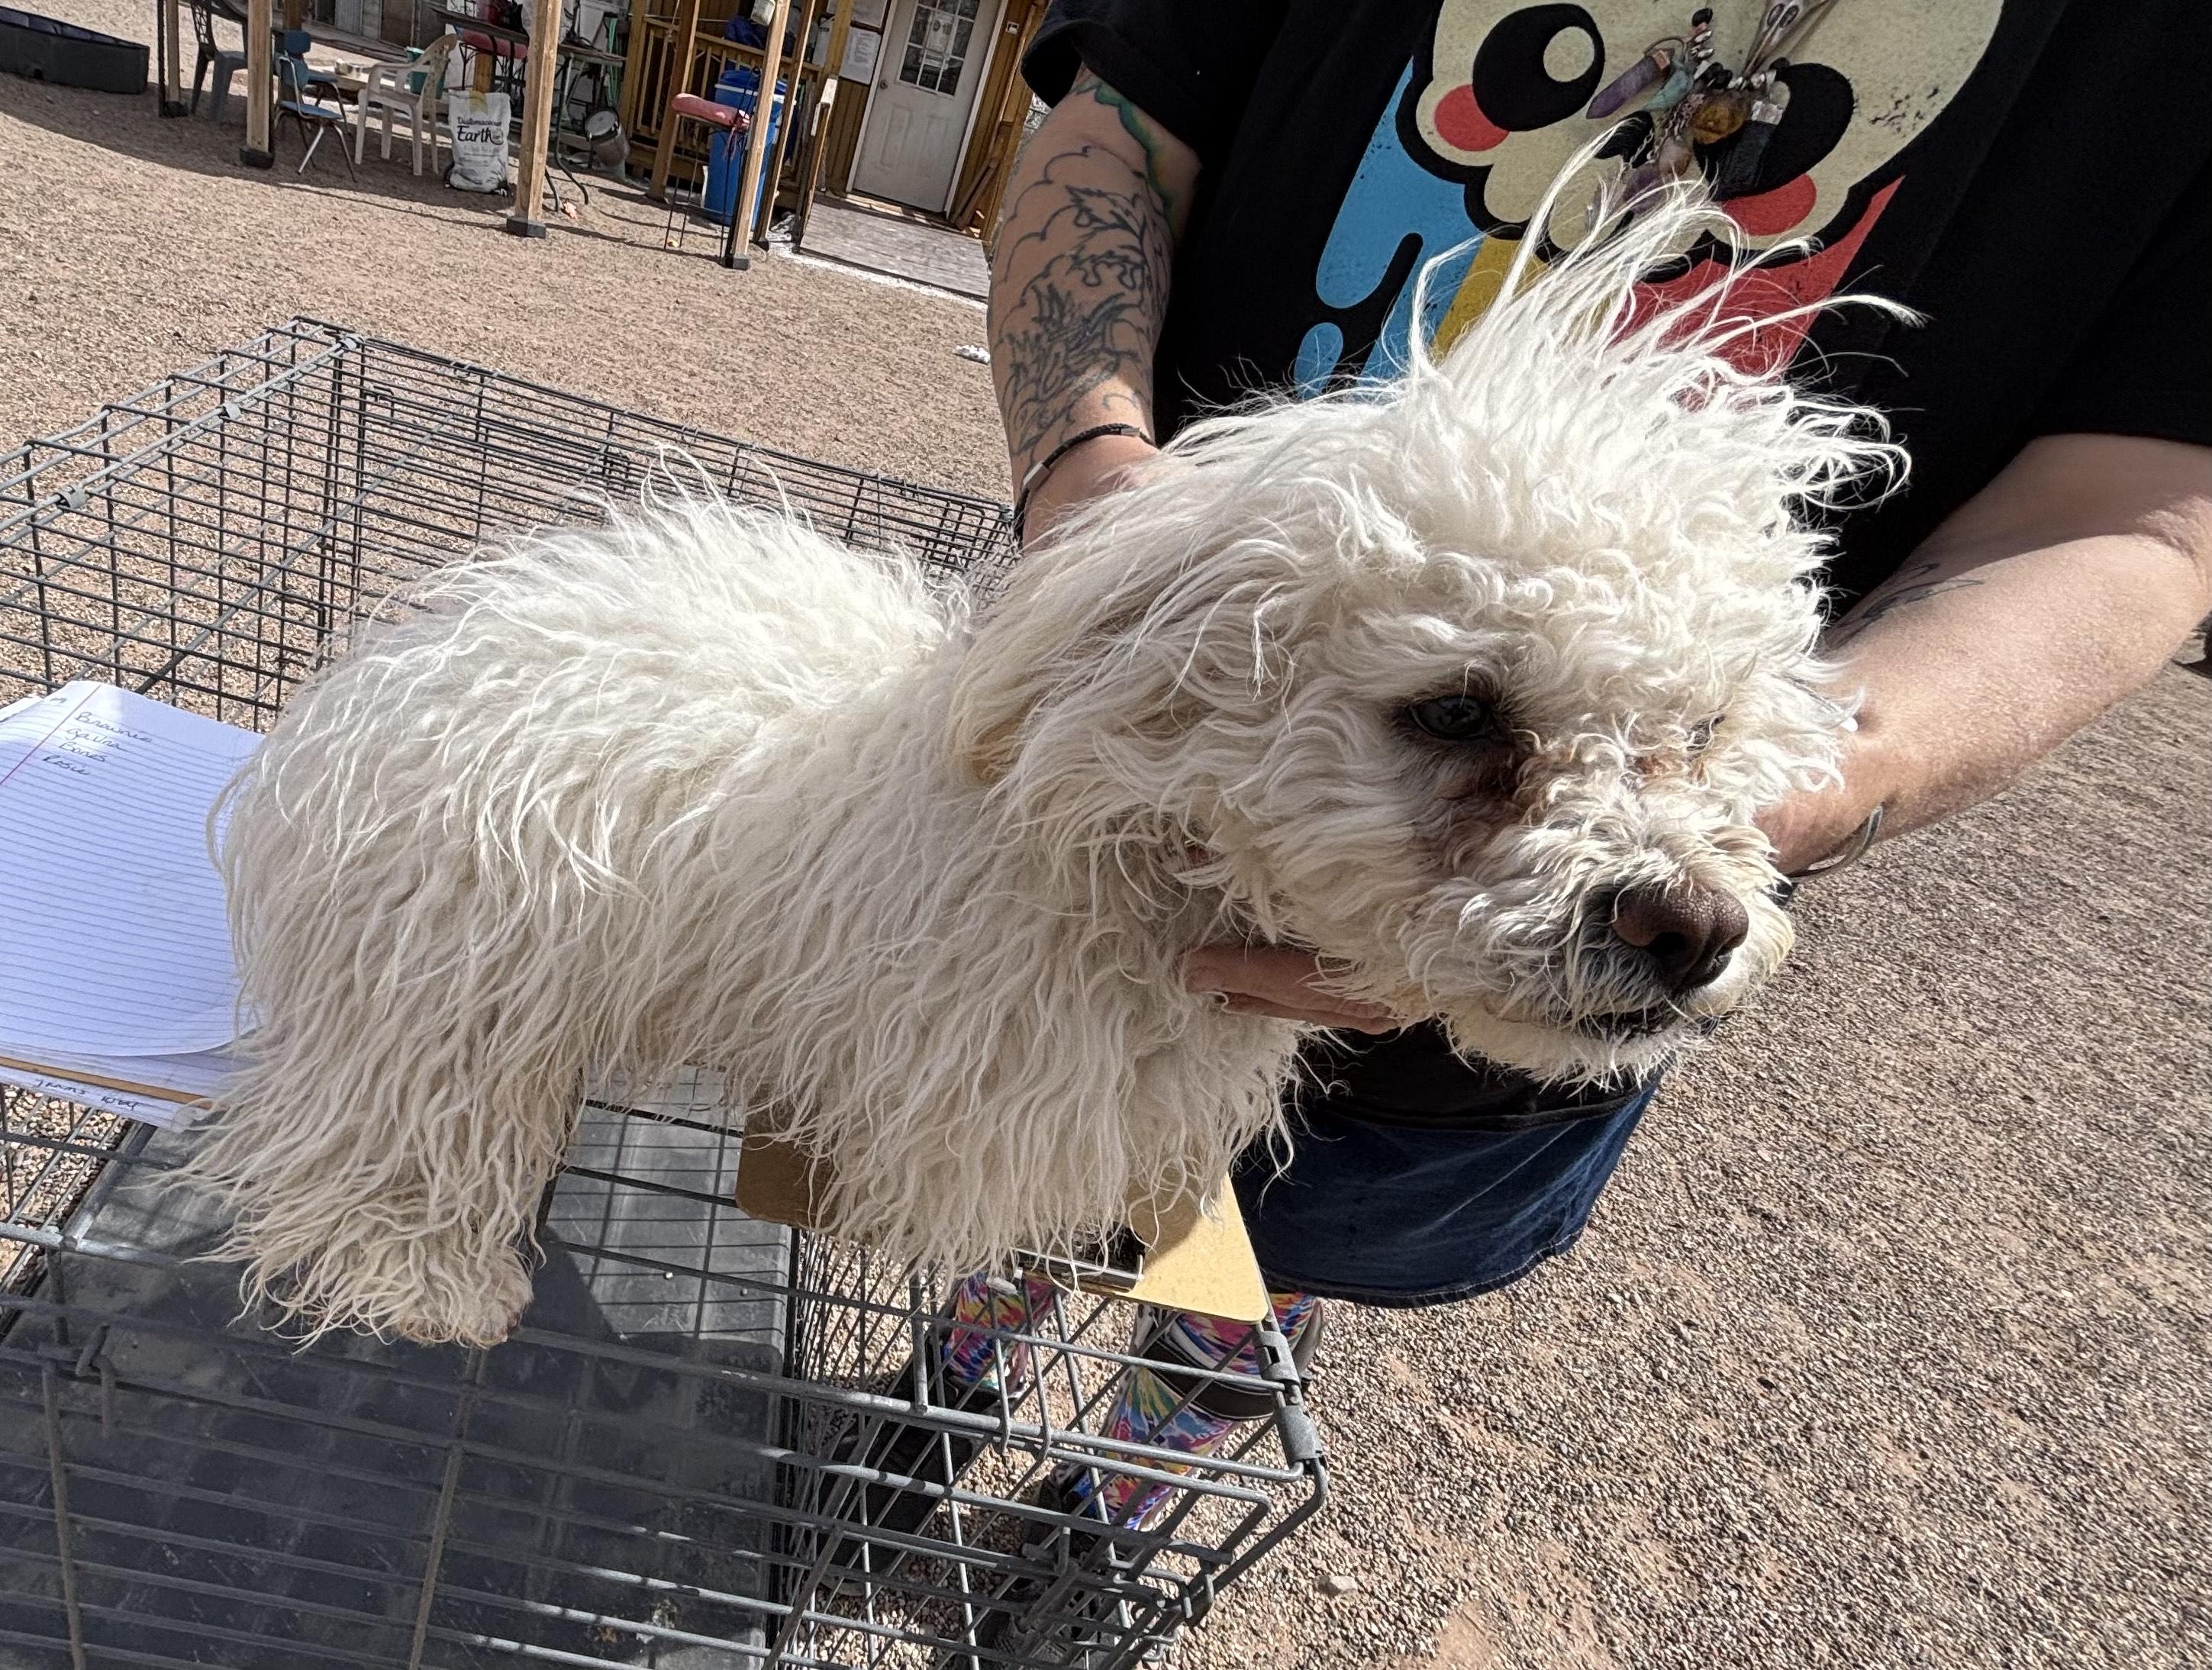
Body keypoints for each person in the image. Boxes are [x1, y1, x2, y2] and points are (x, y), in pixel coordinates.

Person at [918, 0, 2212, 1533]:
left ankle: (1106, 1508)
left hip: (1460, 1054)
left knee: (1266, 1253)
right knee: (1033, 1162)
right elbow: (1116, 127)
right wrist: (1109, 539)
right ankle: (945, 1397)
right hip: (1126, 813)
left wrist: (1758, 787)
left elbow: (2143, 516)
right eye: (1470, 723)